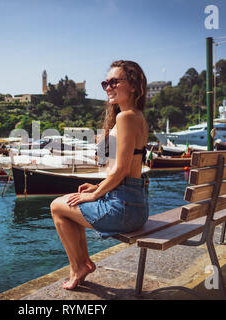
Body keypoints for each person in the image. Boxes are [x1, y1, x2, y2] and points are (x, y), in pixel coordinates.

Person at [50, 60, 149, 290]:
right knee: (70, 203)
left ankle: (79, 267)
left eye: (115, 81)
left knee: (57, 206)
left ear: (133, 85)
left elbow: (122, 169)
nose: (108, 87)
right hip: (135, 206)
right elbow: (126, 171)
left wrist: (95, 196)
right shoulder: (137, 116)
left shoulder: (125, 118)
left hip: (123, 208)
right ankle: (82, 264)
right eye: (106, 83)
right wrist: (97, 187)